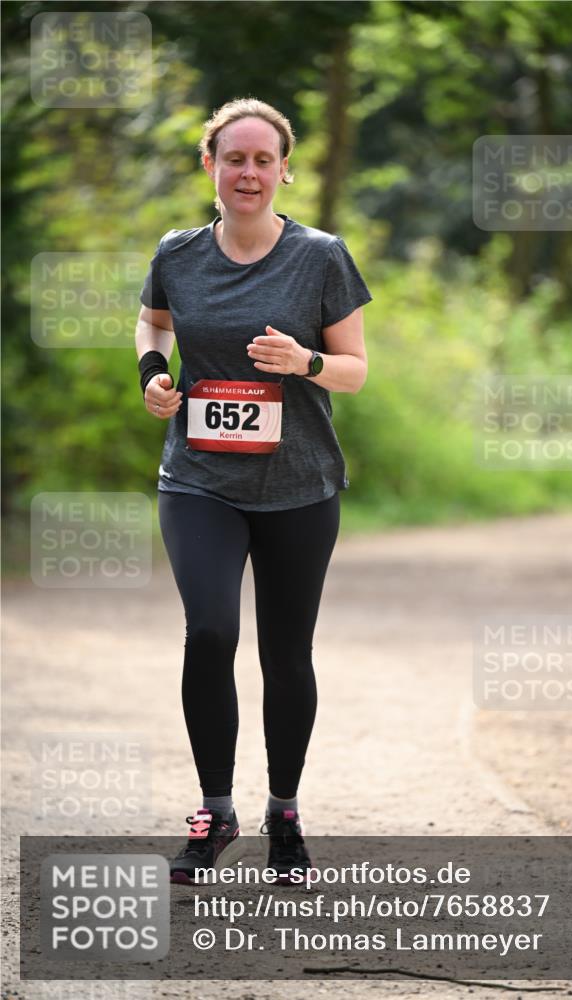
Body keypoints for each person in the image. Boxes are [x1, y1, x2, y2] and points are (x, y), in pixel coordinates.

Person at [135, 97, 373, 884]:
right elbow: (153, 323)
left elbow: (355, 370)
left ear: (282, 171)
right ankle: (214, 810)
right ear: (210, 166)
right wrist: (154, 377)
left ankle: (284, 815)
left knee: (285, 652)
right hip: (199, 478)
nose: (247, 172)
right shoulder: (178, 252)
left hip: (300, 485)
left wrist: (303, 362)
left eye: (261, 160)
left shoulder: (321, 256)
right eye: (233, 158)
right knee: (208, 632)